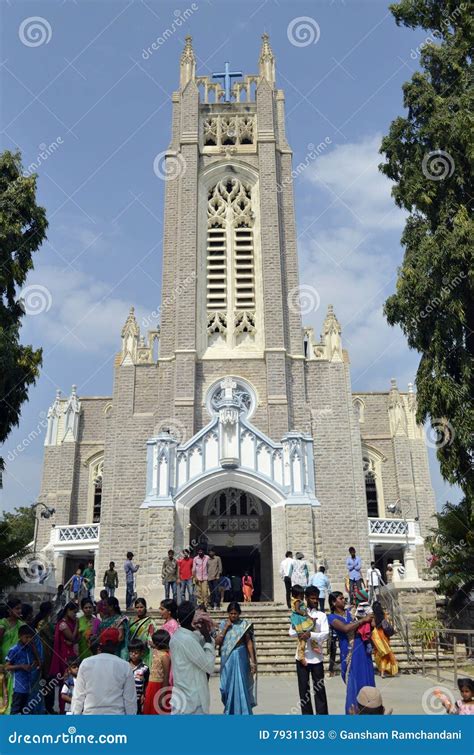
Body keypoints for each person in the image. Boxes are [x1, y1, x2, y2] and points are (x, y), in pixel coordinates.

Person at [328, 591, 375, 714]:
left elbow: (371, 623)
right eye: (340, 598)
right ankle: (354, 713)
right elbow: (345, 628)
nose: (344, 600)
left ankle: (371, 711)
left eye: (344, 598)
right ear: (333, 602)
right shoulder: (332, 617)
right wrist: (363, 620)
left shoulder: (351, 613)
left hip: (362, 650)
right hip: (349, 653)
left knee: (367, 679)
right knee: (353, 683)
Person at [70, 627, 137, 715]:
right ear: (117, 644)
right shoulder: (125, 666)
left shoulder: (86, 663)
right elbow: (130, 700)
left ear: (100, 644)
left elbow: (78, 696)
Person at [169, 601, 215, 714]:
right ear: (193, 618)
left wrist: (202, 635)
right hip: (192, 701)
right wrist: (208, 640)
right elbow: (208, 666)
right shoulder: (187, 640)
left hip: (181, 699)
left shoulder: (176, 636)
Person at [289, 586, 329, 715]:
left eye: (317, 598)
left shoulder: (321, 615)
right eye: (312, 598)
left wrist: (311, 635)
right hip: (302, 657)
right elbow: (291, 632)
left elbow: (325, 634)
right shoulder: (298, 613)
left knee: (320, 689)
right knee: (303, 690)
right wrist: (300, 633)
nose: (315, 601)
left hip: (317, 658)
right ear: (306, 598)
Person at [215, 602, 256, 715]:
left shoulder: (244, 625)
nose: (233, 616)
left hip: (240, 656)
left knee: (241, 684)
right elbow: (218, 641)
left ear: (239, 613)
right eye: (231, 613)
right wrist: (226, 629)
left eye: (235, 613)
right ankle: (229, 708)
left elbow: (249, 643)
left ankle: (243, 711)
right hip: (227, 658)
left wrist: (252, 661)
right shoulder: (223, 624)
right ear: (228, 613)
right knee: (225, 687)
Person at [49, 602, 79, 713]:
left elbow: (75, 640)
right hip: (64, 656)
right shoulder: (63, 624)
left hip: (71, 654)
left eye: (76, 613)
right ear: (67, 610)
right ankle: (63, 709)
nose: (75, 615)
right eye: (73, 612)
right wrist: (77, 625)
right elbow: (72, 637)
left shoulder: (69, 622)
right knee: (66, 682)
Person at [5, 625, 38, 715]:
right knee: (16, 708)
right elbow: (7, 666)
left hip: (28, 685)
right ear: (20, 636)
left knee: (26, 709)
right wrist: (21, 666)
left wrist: (33, 663)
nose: (29, 639)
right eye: (26, 637)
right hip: (18, 687)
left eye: (31, 637)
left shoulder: (29, 649)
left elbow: (36, 661)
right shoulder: (14, 650)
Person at [0, 599, 23, 714]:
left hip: (17, 663)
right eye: (17, 608)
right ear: (9, 610)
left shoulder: (21, 625)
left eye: (20, 608)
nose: (20, 611)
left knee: (13, 692)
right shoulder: (3, 623)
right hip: (3, 663)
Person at [32, 602, 55, 714]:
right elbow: (52, 637)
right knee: (46, 680)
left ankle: (46, 706)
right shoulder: (42, 623)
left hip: (48, 651)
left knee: (47, 680)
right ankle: (45, 707)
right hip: (45, 652)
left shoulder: (46, 622)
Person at [143, 630, 171, 715]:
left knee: (156, 710)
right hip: (151, 685)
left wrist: (162, 696)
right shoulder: (157, 651)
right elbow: (151, 645)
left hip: (159, 686)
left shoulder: (165, 656)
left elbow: (166, 676)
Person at [371, 601, 398, 678]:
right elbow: (387, 625)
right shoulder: (384, 615)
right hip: (384, 636)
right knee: (386, 654)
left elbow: (372, 625)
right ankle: (384, 671)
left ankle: (381, 671)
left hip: (376, 637)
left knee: (378, 653)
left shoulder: (373, 616)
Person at [290, 585, 315, 665]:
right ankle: (301, 656)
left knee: (310, 631)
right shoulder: (297, 601)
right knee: (302, 639)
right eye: (301, 595)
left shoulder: (298, 601)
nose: (303, 596)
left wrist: (309, 617)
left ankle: (314, 645)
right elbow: (297, 610)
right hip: (300, 621)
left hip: (302, 620)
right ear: (297, 595)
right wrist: (305, 614)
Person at [129, 598, 155, 668]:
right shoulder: (130, 621)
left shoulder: (150, 622)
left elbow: (151, 638)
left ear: (145, 608)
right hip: (132, 651)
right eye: (137, 607)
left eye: (141, 607)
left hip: (144, 652)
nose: (139, 609)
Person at [128, 639, 149, 714]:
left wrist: (144, 694)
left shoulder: (145, 668)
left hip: (138, 698)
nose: (133, 654)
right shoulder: (125, 666)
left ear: (142, 653)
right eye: (131, 652)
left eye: (136, 652)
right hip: (126, 697)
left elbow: (146, 683)